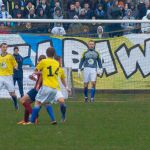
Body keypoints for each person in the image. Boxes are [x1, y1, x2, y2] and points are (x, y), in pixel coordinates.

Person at [29, 47, 66, 124]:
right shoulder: (56, 63)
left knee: (37, 102)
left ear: (46, 53)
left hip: (46, 86)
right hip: (55, 88)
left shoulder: (43, 61)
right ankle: (53, 120)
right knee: (47, 103)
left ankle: (31, 121)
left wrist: (37, 73)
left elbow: (36, 71)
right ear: (54, 54)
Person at [17, 55, 56, 125]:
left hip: (38, 89)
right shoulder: (43, 67)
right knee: (27, 103)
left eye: (40, 61)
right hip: (40, 88)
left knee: (22, 100)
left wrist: (37, 85)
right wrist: (33, 78)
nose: (39, 62)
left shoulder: (43, 67)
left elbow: (42, 76)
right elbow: (41, 78)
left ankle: (34, 117)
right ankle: (26, 120)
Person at [0, 43, 19, 110]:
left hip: (8, 77)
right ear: (1, 48)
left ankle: (15, 103)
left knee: (12, 94)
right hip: (1, 76)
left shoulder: (10, 56)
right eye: (3, 47)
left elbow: (15, 64)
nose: (5, 48)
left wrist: (16, 67)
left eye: (6, 47)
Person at [55, 56, 71, 122]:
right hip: (48, 88)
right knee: (40, 103)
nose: (61, 62)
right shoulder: (49, 68)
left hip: (56, 90)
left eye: (61, 61)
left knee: (63, 103)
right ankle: (34, 116)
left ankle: (63, 116)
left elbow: (62, 80)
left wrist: (67, 88)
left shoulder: (61, 70)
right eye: (60, 61)